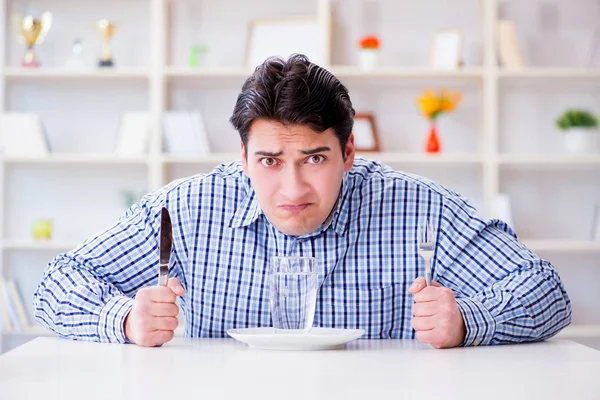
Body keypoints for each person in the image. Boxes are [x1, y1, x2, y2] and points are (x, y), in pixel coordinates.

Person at [33, 54, 572, 349]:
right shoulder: (190, 209)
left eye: (315, 159)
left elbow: (547, 292)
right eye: (269, 161)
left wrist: (468, 321)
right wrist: (125, 319)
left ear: (349, 152)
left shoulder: (419, 208)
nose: (292, 190)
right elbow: (57, 283)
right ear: (242, 157)